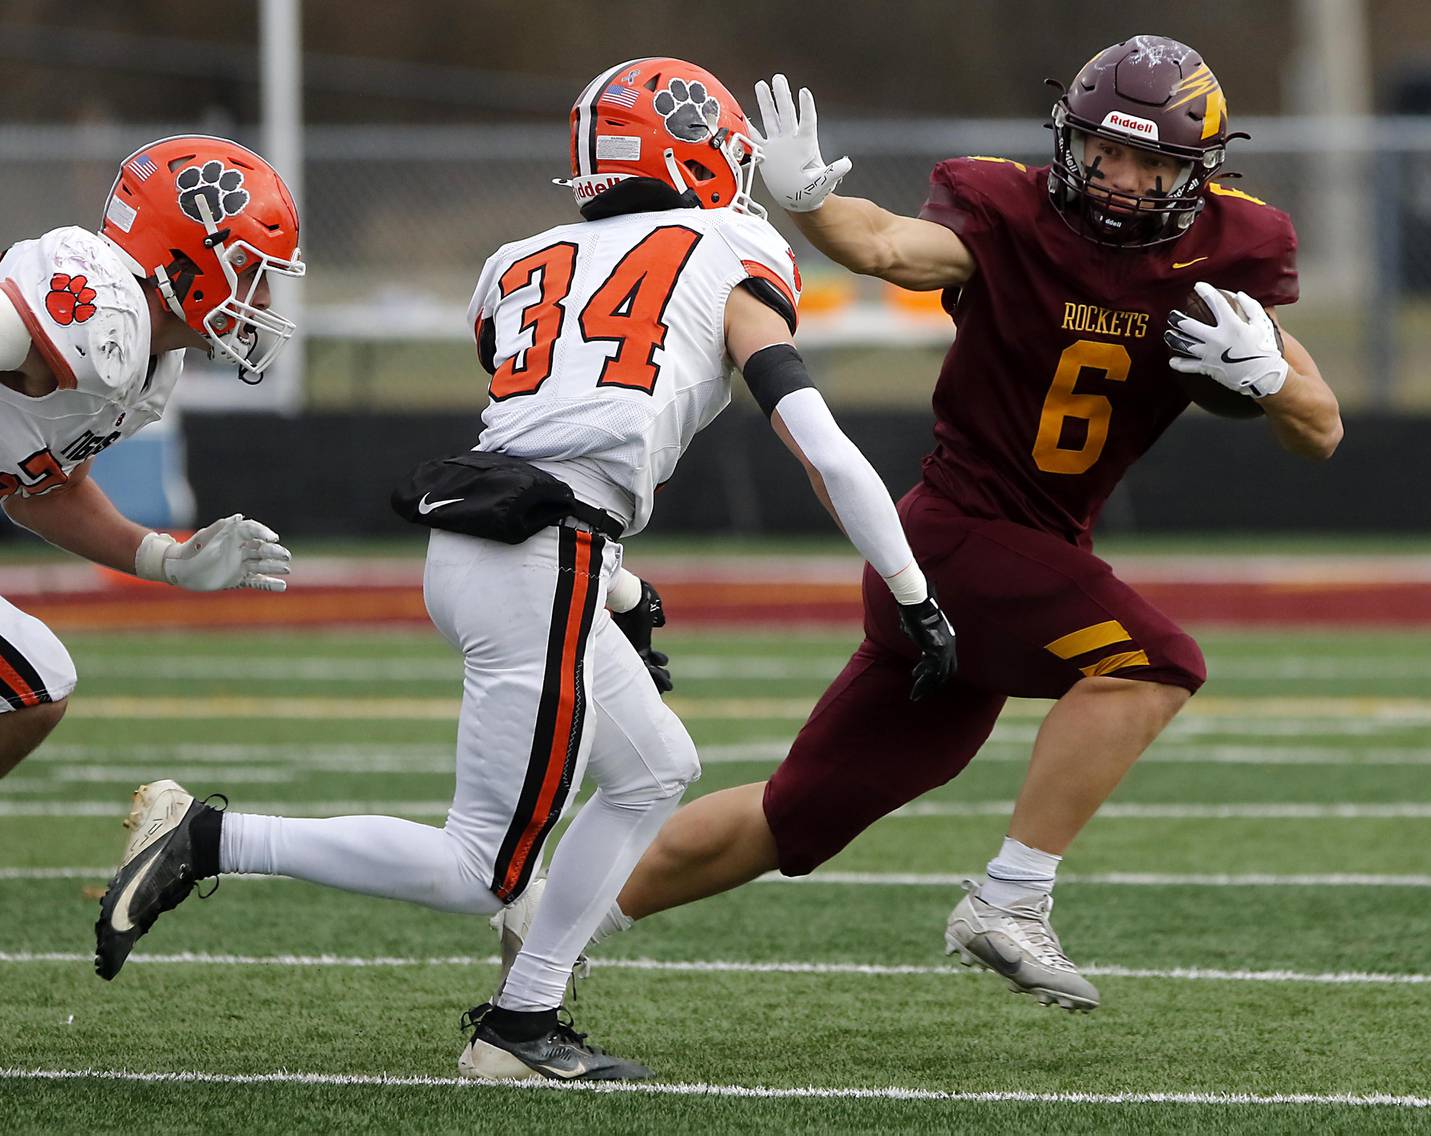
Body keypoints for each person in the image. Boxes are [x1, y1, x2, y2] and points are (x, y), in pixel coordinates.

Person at [92, 58, 957, 1082]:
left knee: (653, 765)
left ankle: (524, 1017)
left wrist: (619, 587)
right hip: (541, 558)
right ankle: (209, 837)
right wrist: (914, 592)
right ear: (692, 152)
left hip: (506, 543)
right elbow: (815, 441)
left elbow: (554, 423)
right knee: (479, 868)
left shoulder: (516, 260)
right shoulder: (733, 243)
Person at [549, 36, 1343, 1014]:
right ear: (1071, 140)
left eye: (1156, 162)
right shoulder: (1009, 213)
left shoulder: (1228, 248)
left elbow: (1322, 428)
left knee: (796, 816)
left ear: (1198, 171)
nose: (1127, 179)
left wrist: (1268, 378)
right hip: (959, 532)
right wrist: (806, 202)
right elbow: (882, 243)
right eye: (1108, 152)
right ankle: (1011, 897)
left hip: (1017, 554)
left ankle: (552, 926)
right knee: (1155, 661)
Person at [0, 135, 302, 779]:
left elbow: (44, 491)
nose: (265, 300)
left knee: (34, 685)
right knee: (32, 677)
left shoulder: (151, 369)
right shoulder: (96, 301)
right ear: (189, 257)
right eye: (251, 271)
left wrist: (164, 558)